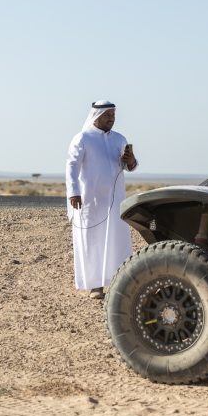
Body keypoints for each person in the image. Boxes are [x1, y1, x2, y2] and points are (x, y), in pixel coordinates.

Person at [66, 101, 138, 300]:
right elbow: (71, 166)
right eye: (108, 115)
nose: (112, 119)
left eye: (113, 115)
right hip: (89, 201)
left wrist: (130, 159)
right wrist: (73, 192)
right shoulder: (82, 138)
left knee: (117, 240)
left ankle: (119, 284)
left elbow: (131, 165)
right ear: (96, 116)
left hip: (114, 201)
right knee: (92, 242)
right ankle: (95, 286)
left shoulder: (119, 139)